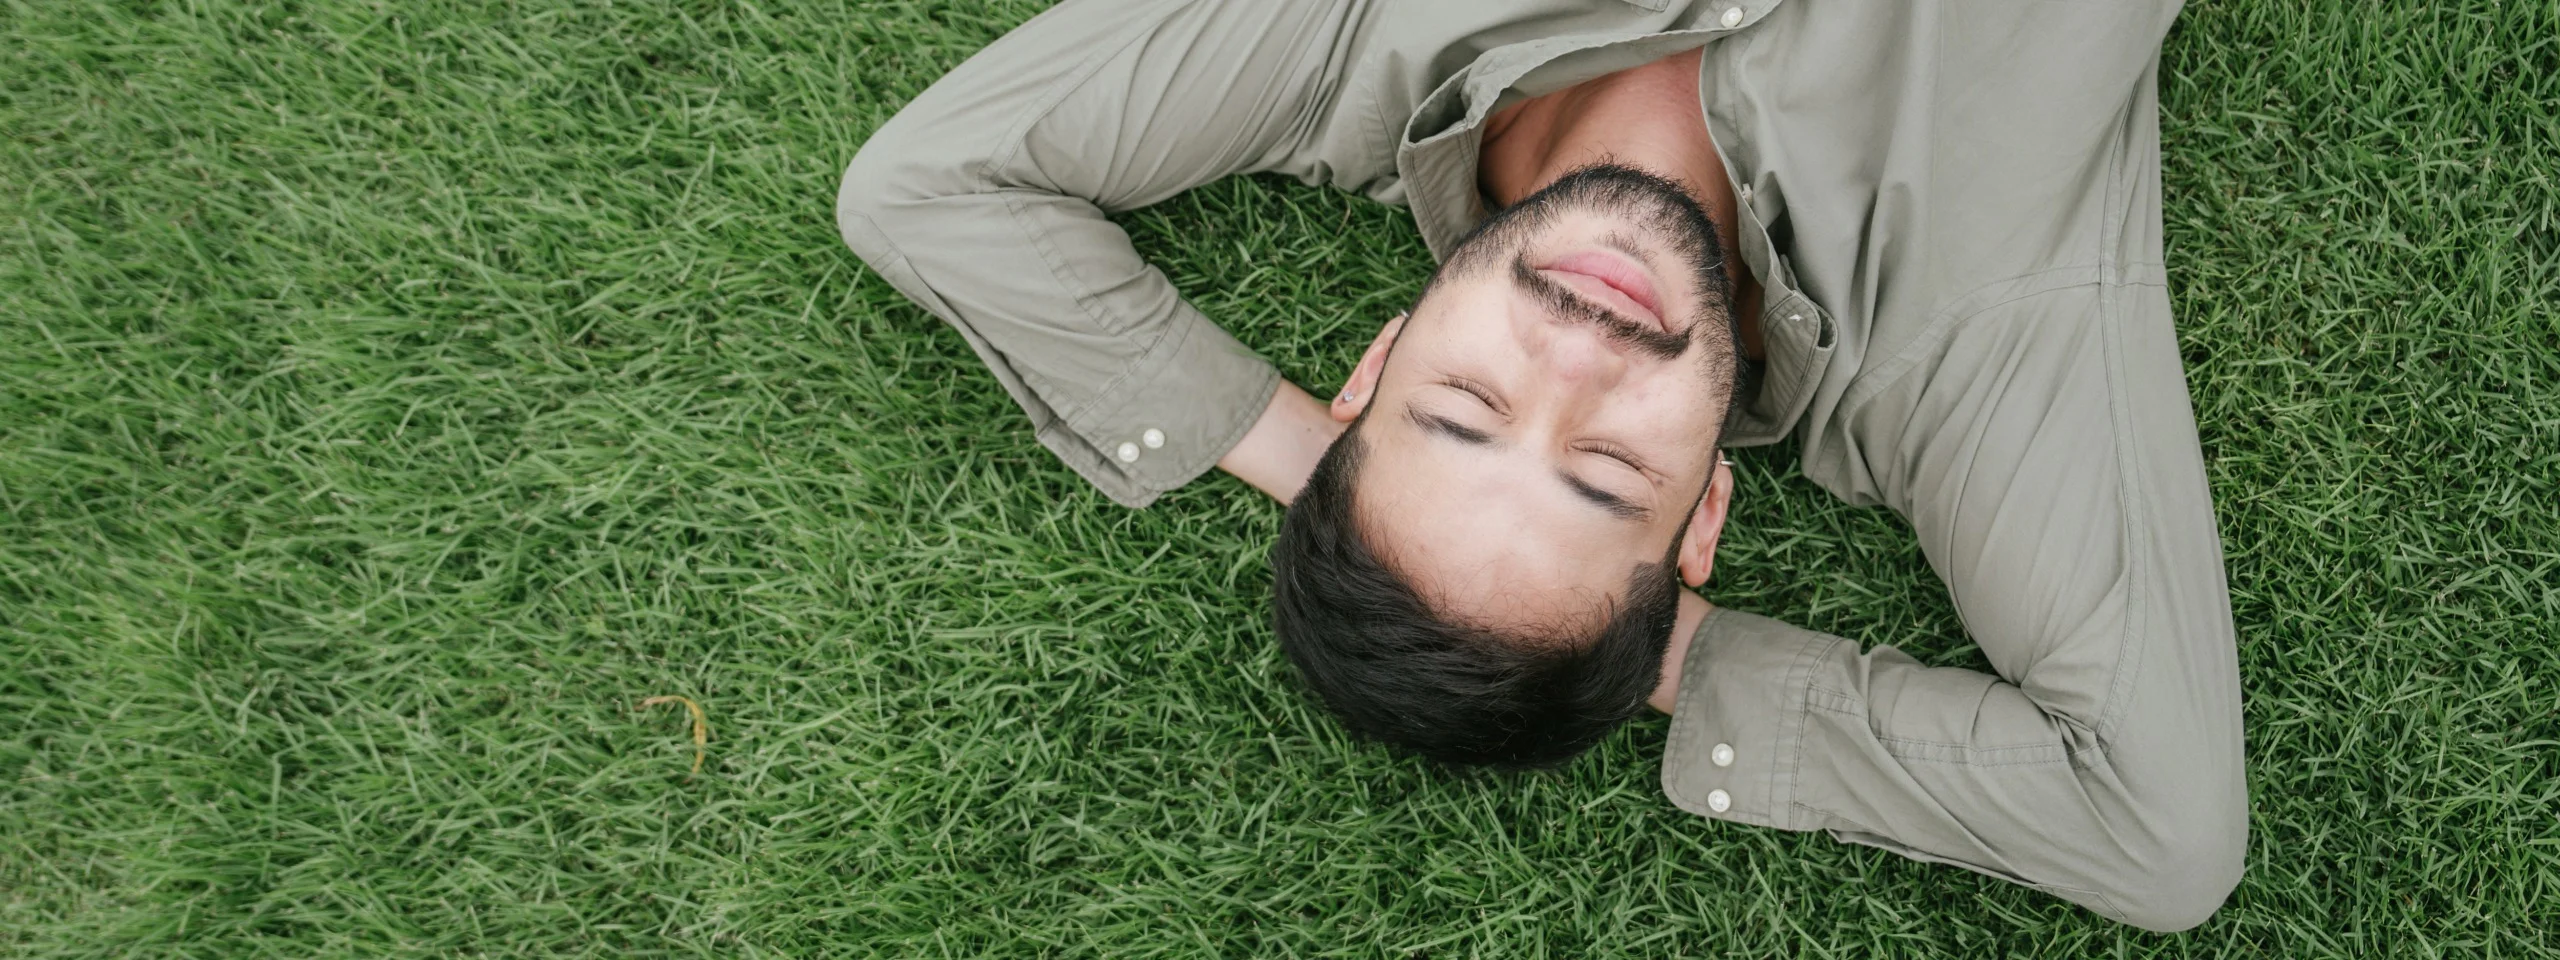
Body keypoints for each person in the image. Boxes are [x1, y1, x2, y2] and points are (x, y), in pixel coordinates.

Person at [838, 0, 2245, 931]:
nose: (1574, 354)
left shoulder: (1358, 47)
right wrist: (1657, 659)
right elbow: (2157, 828)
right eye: (1604, 473)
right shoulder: (1957, 342)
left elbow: (923, 187)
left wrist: (1290, 455)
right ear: (1704, 519)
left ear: (1375, 364)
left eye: (1462, 410)